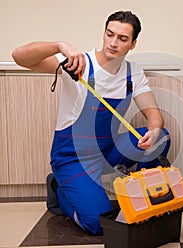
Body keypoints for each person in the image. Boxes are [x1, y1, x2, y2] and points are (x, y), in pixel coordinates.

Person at [12, 10, 170, 235]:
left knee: (161, 137)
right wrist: (59, 45)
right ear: (104, 33)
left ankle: (142, 201)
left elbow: (154, 115)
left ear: (133, 44)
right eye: (109, 34)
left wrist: (154, 132)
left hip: (108, 152)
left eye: (122, 39)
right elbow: (19, 56)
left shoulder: (132, 73)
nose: (113, 43)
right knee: (98, 224)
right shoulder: (78, 63)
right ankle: (59, 191)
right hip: (73, 156)